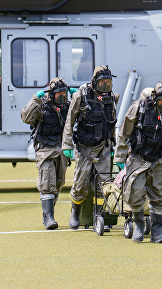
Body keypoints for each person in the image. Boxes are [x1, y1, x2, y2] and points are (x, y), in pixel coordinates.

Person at [113, 81, 162, 243]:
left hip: (159, 158)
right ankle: (139, 226)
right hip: (138, 157)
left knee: (160, 195)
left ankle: (157, 232)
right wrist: (120, 157)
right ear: (155, 99)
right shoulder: (139, 108)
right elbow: (124, 132)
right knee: (134, 193)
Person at [62, 65, 119, 230]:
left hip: (103, 147)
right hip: (84, 148)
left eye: (108, 82)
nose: (105, 86)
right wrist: (66, 145)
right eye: (102, 82)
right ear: (95, 81)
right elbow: (70, 120)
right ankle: (75, 212)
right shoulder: (82, 95)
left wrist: (113, 143)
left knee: (103, 184)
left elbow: (112, 122)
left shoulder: (112, 98)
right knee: (80, 183)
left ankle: (99, 216)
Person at [21, 78, 75, 230]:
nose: (62, 97)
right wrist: (35, 99)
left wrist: (78, 97)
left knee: (57, 183)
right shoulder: (42, 106)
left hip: (62, 149)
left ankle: (49, 212)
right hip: (45, 149)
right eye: (59, 94)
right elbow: (26, 117)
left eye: (65, 94)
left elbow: (84, 113)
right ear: (52, 94)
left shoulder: (68, 107)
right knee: (47, 182)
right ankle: (48, 217)